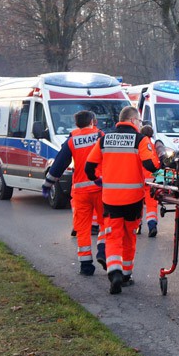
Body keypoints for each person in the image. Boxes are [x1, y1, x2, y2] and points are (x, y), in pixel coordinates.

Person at [85, 106, 161, 294]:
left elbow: (89, 167)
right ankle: (126, 274)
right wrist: (162, 167)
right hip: (134, 199)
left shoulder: (104, 139)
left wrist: (99, 180)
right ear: (133, 120)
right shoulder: (140, 140)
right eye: (139, 121)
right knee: (129, 235)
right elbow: (150, 165)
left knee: (112, 236)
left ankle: (114, 272)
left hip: (110, 199)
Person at [42, 110, 105, 276]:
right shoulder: (100, 136)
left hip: (80, 190)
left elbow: (59, 164)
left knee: (82, 228)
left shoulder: (72, 140)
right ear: (93, 121)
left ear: (77, 123)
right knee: (105, 222)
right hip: (100, 187)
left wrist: (48, 184)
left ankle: (86, 265)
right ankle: (103, 250)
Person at [139, 123, 161, 238]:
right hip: (151, 180)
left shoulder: (139, 144)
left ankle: (138, 226)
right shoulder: (152, 145)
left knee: (138, 204)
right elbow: (156, 163)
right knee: (151, 205)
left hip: (138, 180)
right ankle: (152, 226)